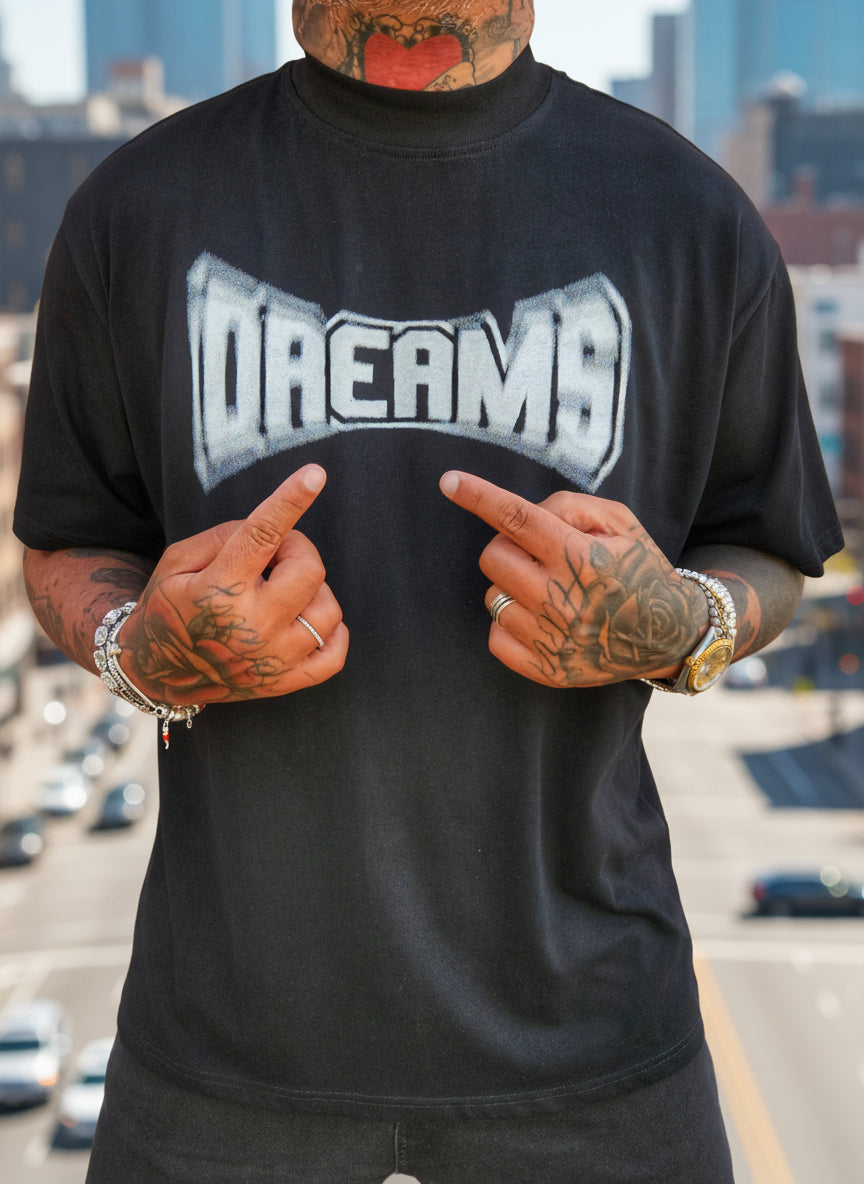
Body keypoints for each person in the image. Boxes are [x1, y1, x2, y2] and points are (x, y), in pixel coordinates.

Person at [14, 2, 842, 1181]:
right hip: (225, 1042)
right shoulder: (138, 206)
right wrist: (133, 644)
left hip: (595, 1037)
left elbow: (772, 548)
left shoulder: (689, 212)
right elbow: (67, 539)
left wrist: (679, 621)